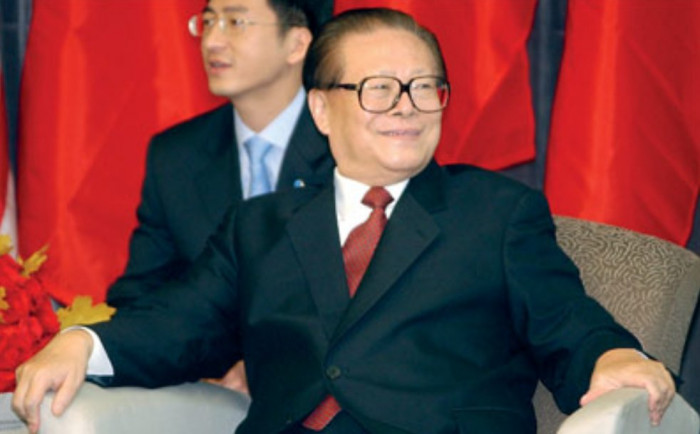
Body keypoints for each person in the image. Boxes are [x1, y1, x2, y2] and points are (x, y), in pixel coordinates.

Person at [13, 8, 675, 434]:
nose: (407, 107)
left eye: (425, 87)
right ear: (322, 110)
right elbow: (178, 323)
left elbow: (566, 321)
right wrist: (83, 345)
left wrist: (612, 355)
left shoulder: (496, 213)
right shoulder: (259, 227)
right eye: (378, 89)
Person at [105, 0, 334, 391]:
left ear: (297, 44)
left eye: (235, 21)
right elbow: (142, 294)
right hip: (209, 392)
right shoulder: (176, 155)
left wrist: (270, 364)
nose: (212, 40)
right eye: (208, 21)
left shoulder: (349, 145)